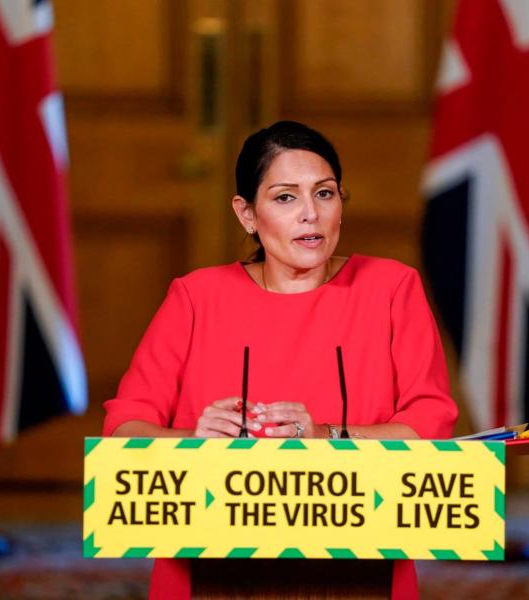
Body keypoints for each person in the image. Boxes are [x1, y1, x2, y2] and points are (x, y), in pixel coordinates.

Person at [103, 120, 457, 599]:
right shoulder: (195, 297)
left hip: (362, 569)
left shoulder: (392, 289)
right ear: (247, 213)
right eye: (286, 197)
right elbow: (124, 431)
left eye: (325, 194)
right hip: (207, 570)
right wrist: (193, 441)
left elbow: (431, 425)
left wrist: (325, 436)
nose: (310, 214)